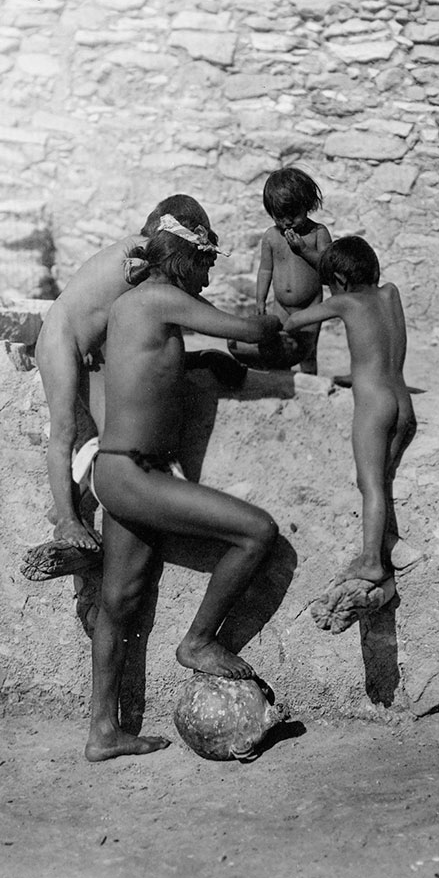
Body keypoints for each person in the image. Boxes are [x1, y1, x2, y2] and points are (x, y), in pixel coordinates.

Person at [84, 215, 282, 761]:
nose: (208, 277)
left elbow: (149, 367)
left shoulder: (138, 308)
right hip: (136, 475)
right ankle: (197, 640)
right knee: (256, 533)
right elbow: (252, 331)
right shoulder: (158, 297)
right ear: (184, 256)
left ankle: (103, 733)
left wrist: (201, 361)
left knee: (119, 600)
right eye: (206, 264)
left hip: (121, 472)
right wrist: (284, 322)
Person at [34, 196, 245, 552]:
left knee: (110, 438)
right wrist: (239, 324)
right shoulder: (142, 254)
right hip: (61, 337)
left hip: (91, 348)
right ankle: (68, 521)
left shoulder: (147, 253)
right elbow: (187, 305)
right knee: (65, 429)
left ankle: (68, 503)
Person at [283, 236, 416, 609]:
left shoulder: (345, 301)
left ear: (339, 279)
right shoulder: (390, 293)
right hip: (402, 402)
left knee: (370, 485)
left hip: (373, 406)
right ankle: (386, 547)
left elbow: (295, 321)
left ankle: (371, 562)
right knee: (376, 479)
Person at [255, 167, 332, 374]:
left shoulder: (318, 233)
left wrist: (304, 250)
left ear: (307, 206)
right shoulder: (271, 236)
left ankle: (310, 381)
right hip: (280, 306)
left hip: (310, 306)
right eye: (280, 217)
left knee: (306, 349)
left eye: (293, 215)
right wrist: (260, 299)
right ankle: (285, 384)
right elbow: (265, 270)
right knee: (281, 347)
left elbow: (327, 267)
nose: (287, 222)